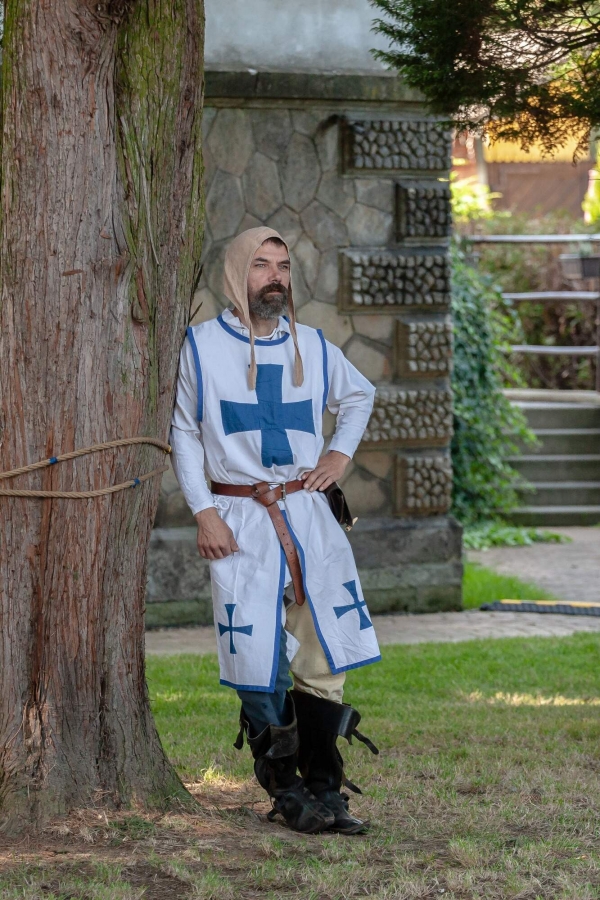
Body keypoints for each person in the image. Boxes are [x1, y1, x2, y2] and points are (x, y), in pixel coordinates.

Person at [170, 226, 381, 835]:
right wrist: (203, 511)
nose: (275, 278)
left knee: (321, 655)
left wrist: (338, 455)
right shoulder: (201, 348)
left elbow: (360, 396)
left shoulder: (311, 346)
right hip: (238, 518)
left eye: (283, 266)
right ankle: (285, 790)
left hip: (308, 514)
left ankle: (324, 788)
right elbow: (183, 431)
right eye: (261, 265)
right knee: (255, 659)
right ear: (237, 273)